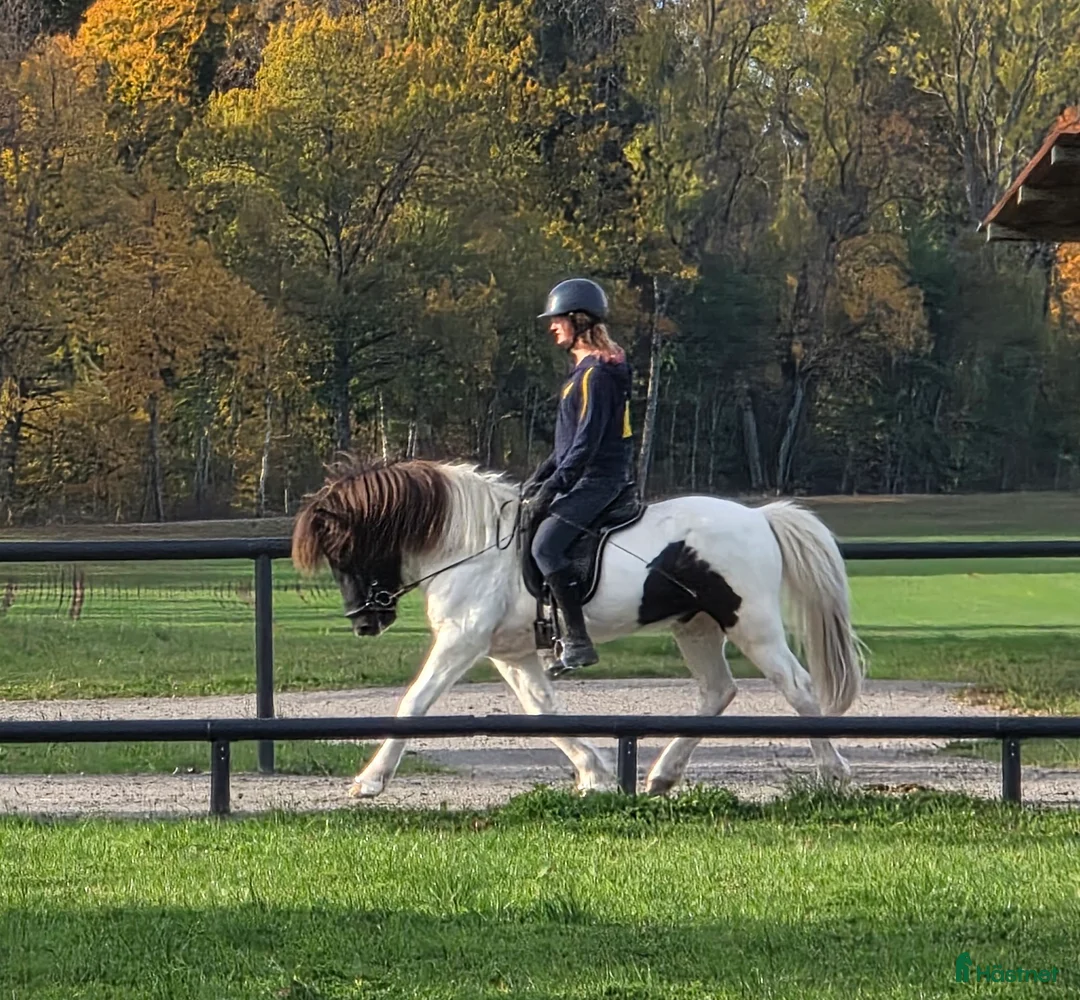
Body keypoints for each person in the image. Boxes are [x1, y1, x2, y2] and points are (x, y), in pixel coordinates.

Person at [524, 277, 635, 671]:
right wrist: (539, 479)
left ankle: (578, 639)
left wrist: (555, 485)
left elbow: (585, 445)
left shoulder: (596, 376)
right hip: (583, 475)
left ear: (579, 320)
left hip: (600, 480)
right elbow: (565, 447)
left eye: (558, 320)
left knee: (545, 547)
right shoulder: (584, 372)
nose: (552, 327)